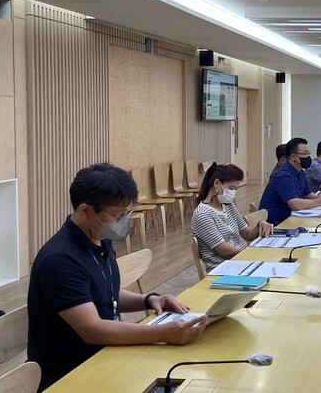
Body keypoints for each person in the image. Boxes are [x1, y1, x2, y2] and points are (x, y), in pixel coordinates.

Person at [27, 163, 208, 391]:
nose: (124, 220)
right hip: (72, 376)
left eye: (127, 213)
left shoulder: (99, 239)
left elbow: (105, 293)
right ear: (85, 211)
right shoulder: (60, 260)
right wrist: (163, 333)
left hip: (108, 356)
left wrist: (150, 300)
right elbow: (92, 329)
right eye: (118, 215)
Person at [192, 163, 274, 272]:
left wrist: (260, 225)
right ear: (217, 183)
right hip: (223, 269)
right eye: (231, 188)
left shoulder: (228, 205)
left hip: (240, 262)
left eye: (235, 189)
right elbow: (225, 251)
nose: (233, 193)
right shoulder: (203, 214)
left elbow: (247, 234)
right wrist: (252, 254)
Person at [259, 137, 321, 225]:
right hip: (274, 224)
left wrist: (319, 196)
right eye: (305, 153)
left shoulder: (300, 172)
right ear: (293, 157)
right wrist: (319, 201)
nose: (308, 157)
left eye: (309, 153)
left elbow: (307, 194)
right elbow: (294, 204)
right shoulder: (283, 175)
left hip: (290, 217)